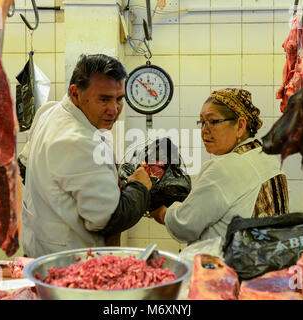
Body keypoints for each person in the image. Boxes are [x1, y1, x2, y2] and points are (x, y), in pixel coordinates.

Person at [21, 54, 152, 258]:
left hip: (38, 249)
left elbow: (24, 168)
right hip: (71, 263)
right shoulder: (80, 142)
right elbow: (108, 219)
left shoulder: (48, 112)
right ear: (75, 93)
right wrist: (140, 186)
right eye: (104, 99)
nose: (114, 109)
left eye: (119, 99)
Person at [150, 88, 289, 244]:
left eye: (213, 121)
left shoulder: (225, 168)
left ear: (240, 126)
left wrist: (159, 211)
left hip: (228, 264)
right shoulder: (266, 157)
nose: (204, 130)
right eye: (202, 122)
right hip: (268, 260)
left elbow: (185, 225)